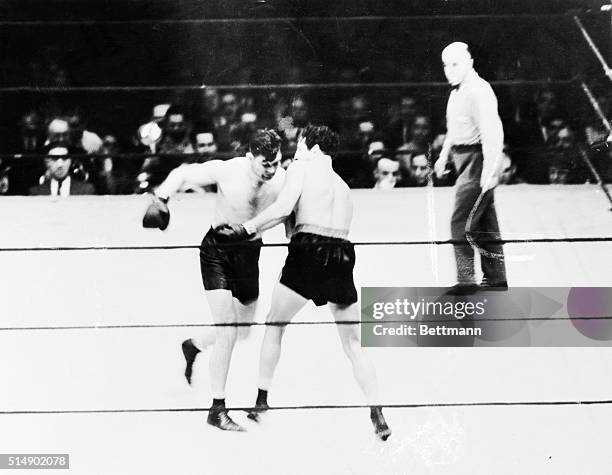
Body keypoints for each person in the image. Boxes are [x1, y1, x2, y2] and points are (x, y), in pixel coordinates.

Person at [215, 125, 392, 441]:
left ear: (311, 146)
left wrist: (245, 229)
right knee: (353, 344)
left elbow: (284, 213)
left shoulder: (301, 167)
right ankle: (377, 412)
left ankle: (261, 402)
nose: (295, 151)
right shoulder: (343, 187)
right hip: (342, 253)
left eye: (298, 145)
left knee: (275, 324)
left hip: (309, 250)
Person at [142, 129, 285, 432]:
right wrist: (163, 199)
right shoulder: (229, 170)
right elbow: (182, 173)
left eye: (275, 162)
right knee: (228, 331)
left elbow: (286, 215)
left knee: (243, 331)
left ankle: (193, 346)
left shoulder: (283, 180)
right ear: (250, 157)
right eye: (264, 164)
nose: (270, 170)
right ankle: (217, 409)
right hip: (216, 252)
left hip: (249, 254)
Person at [433, 42, 507, 294]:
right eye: (446, 65)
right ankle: (497, 279)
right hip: (463, 158)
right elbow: (453, 130)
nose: (450, 70)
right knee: (485, 221)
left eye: (455, 64)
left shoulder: (479, 91)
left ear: (469, 63)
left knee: (460, 221)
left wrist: (489, 171)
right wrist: (444, 155)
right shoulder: (457, 92)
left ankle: (466, 281)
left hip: (477, 161)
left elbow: (492, 133)